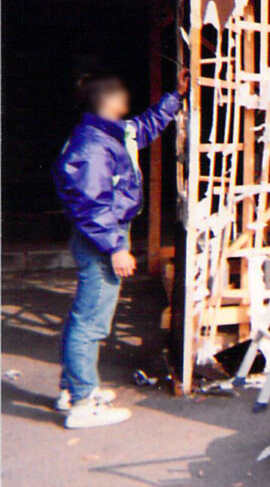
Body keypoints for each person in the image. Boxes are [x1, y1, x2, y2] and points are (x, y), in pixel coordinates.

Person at [52, 68, 189, 428]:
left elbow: (143, 128)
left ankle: (74, 390)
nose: (125, 101)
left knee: (86, 316)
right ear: (106, 102)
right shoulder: (92, 146)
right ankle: (83, 403)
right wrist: (116, 247)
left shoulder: (109, 133)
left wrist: (175, 97)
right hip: (102, 238)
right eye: (119, 95)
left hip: (104, 234)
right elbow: (92, 205)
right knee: (91, 319)